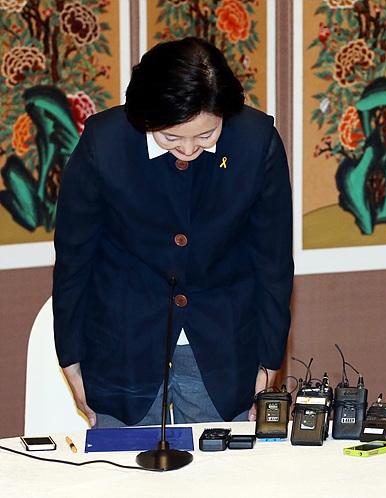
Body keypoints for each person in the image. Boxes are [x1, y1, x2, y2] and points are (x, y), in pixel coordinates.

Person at [53, 37, 294, 428]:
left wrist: (269, 361)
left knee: (218, 465)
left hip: (222, 348)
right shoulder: (105, 141)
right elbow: (74, 257)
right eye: (171, 137)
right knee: (122, 465)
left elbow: (274, 262)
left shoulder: (256, 141)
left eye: (206, 135)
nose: (188, 149)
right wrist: (71, 356)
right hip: (121, 347)